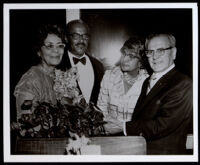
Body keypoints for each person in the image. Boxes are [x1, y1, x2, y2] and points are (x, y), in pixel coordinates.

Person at [125, 33, 193, 154]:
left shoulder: (183, 84)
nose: (154, 57)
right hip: (141, 151)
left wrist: (124, 127)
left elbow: (161, 126)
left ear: (173, 53)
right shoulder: (148, 80)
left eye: (160, 50)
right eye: (150, 52)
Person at [97, 36, 149, 135]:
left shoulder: (148, 82)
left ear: (141, 62)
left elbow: (146, 120)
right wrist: (105, 128)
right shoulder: (110, 76)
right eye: (124, 54)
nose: (125, 59)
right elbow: (101, 108)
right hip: (109, 135)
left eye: (132, 56)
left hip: (136, 137)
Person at [14, 24, 66, 120]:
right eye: (49, 46)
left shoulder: (63, 77)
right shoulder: (30, 80)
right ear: (39, 51)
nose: (56, 50)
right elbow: (26, 122)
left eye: (60, 45)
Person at [56, 19, 104, 104]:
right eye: (76, 36)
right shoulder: (57, 65)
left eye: (85, 36)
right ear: (66, 38)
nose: (81, 40)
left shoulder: (98, 66)